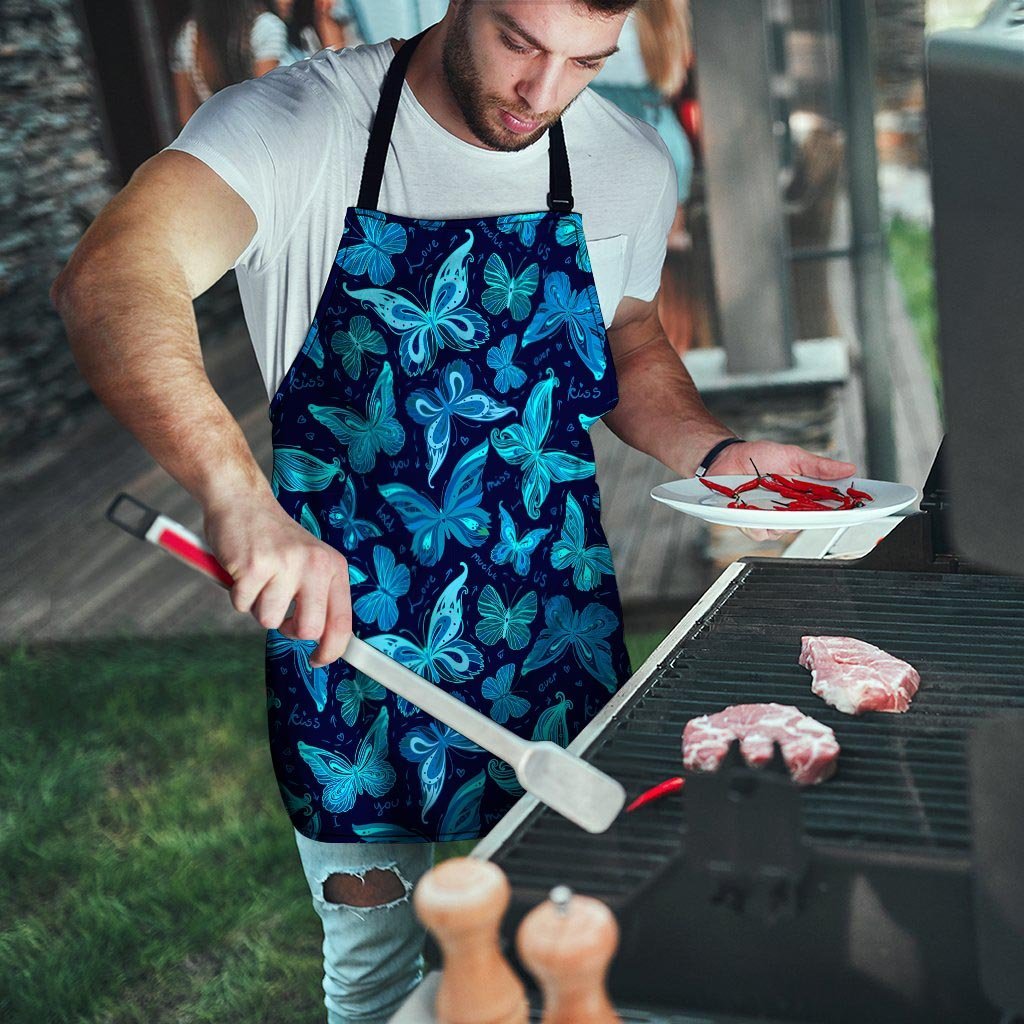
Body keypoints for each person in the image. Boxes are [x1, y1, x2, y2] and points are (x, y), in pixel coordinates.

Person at [53, 1, 856, 1020]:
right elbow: (112, 276)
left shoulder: (623, 160)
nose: (543, 92)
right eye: (520, 42)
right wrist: (238, 498)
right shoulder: (298, 125)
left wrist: (717, 449)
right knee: (379, 975)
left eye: (585, 61)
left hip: (549, 629)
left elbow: (628, 333)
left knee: (578, 942)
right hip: (350, 647)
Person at [170, 0, 289, 126]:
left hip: (215, 138)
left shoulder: (187, 36)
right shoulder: (265, 27)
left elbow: (186, 118)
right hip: (264, 136)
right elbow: (266, 105)